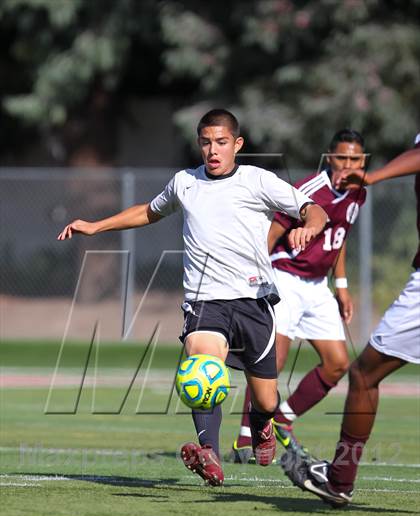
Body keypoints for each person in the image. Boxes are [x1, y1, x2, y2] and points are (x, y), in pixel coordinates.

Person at [58, 109, 327, 486]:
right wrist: (96, 226)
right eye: (205, 142)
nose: (212, 150)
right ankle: (210, 456)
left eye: (221, 142)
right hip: (205, 302)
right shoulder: (185, 182)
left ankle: (262, 425)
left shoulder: (257, 180)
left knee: (266, 400)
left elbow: (311, 209)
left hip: (254, 302)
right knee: (202, 371)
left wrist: (312, 226)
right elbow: (149, 212)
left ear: (237, 145)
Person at [281, 134, 420, 507]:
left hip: (318, 284)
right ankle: (259, 430)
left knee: (362, 374)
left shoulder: (360, 189)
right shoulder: (317, 188)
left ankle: (340, 479)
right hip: (292, 278)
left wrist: (373, 177)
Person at [230, 129, 367, 464]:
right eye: (342, 158)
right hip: (285, 278)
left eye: (356, 159)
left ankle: (282, 419)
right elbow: (273, 233)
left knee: (337, 364)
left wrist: (343, 286)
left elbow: (340, 237)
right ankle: (246, 439)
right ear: (329, 158)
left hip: (318, 286)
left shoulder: (357, 192)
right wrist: (253, 278)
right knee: (272, 363)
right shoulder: (309, 190)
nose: (348, 165)